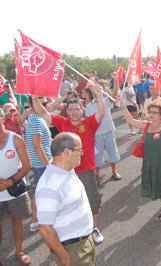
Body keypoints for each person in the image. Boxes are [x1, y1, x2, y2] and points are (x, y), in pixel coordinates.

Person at [32, 84, 105, 244]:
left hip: (86, 170)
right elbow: (43, 113)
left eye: (77, 109)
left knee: (93, 199)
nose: (74, 112)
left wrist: (99, 96)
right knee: (69, 203)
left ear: (82, 110)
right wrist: (34, 98)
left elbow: (101, 112)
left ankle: (93, 228)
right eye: (70, 109)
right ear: (67, 111)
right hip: (66, 171)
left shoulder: (89, 123)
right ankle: (76, 229)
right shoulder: (62, 123)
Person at [120, 96, 161, 228]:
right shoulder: (146, 125)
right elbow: (130, 120)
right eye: (150, 112)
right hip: (150, 163)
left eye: (155, 112)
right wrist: (123, 106)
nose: (151, 115)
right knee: (158, 188)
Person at [36, 133, 95, 266]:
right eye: (79, 150)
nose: (82, 153)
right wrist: (64, 257)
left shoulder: (66, 169)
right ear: (67, 152)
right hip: (73, 249)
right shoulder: (49, 187)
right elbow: (45, 228)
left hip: (84, 241)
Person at [0, 108, 32, 265]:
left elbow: (27, 165)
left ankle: (19, 251)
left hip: (15, 190)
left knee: (17, 221)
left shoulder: (16, 139)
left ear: (2, 119)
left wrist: (10, 182)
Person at [85, 72, 121, 181]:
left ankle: (114, 172)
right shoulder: (88, 107)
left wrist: (115, 79)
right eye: (97, 90)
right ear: (94, 92)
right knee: (97, 155)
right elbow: (89, 123)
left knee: (112, 152)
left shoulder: (106, 101)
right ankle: (97, 173)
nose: (100, 91)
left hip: (109, 132)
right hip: (97, 135)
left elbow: (114, 93)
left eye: (101, 89)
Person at [25, 96, 53, 232]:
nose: (45, 106)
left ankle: (36, 219)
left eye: (46, 103)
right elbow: (37, 146)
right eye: (42, 103)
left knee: (39, 190)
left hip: (40, 162)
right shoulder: (36, 120)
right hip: (41, 163)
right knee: (42, 192)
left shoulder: (35, 118)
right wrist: (48, 164)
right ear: (32, 104)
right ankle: (37, 220)